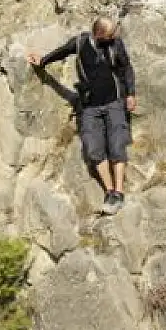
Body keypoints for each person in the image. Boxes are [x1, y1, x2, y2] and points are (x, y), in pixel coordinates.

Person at [27, 14, 138, 214]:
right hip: (89, 107)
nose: (115, 35)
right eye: (111, 33)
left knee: (116, 144)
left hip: (114, 102)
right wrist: (42, 61)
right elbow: (61, 52)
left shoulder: (116, 45)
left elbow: (126, 68)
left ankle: (119, 192)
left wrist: (130, 94)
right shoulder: (79, 43)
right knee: (93, 148)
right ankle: (110, 191)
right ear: (98, 34)